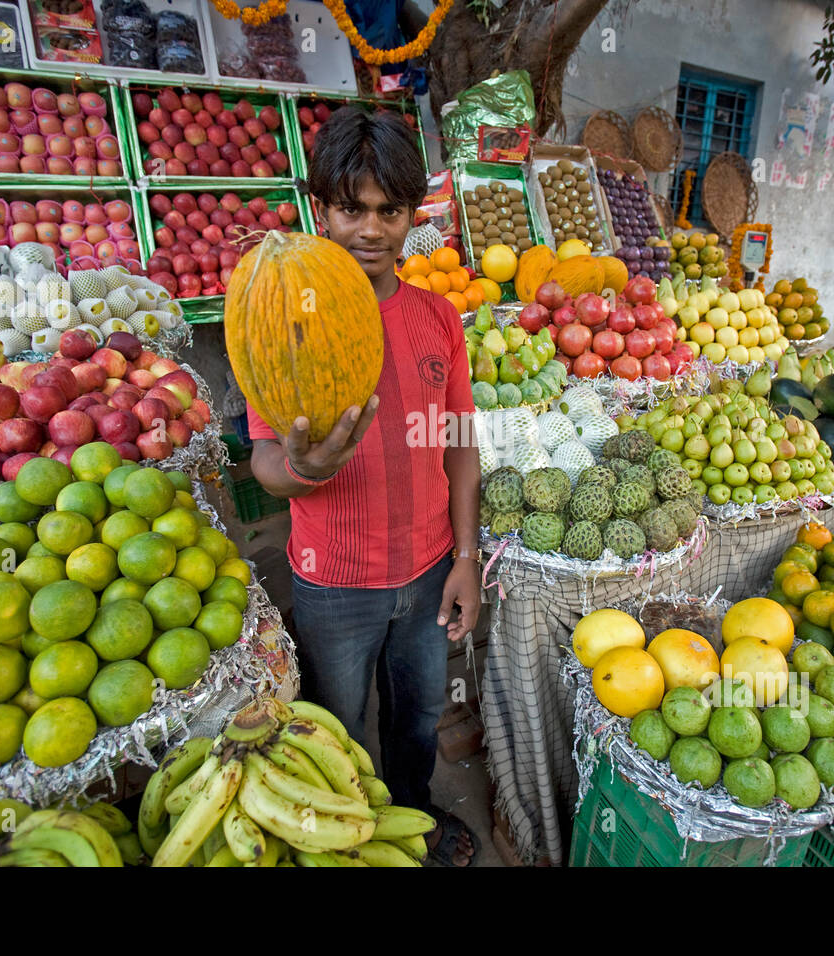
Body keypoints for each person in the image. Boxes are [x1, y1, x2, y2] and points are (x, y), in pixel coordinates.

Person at [246, 107, 482, 867]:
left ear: (413, 217)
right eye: (352, 208)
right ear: (322, 209)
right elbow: (263, 463)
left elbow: (460, 444)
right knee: (334, 729)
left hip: (428, 570)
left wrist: (468, 559)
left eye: (390, 211)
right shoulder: (284, 321)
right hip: (334, 583)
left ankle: (409, 825)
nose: (370, 230)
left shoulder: (437, 317)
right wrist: (305, 470)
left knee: (415, 723)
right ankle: (345, 843)